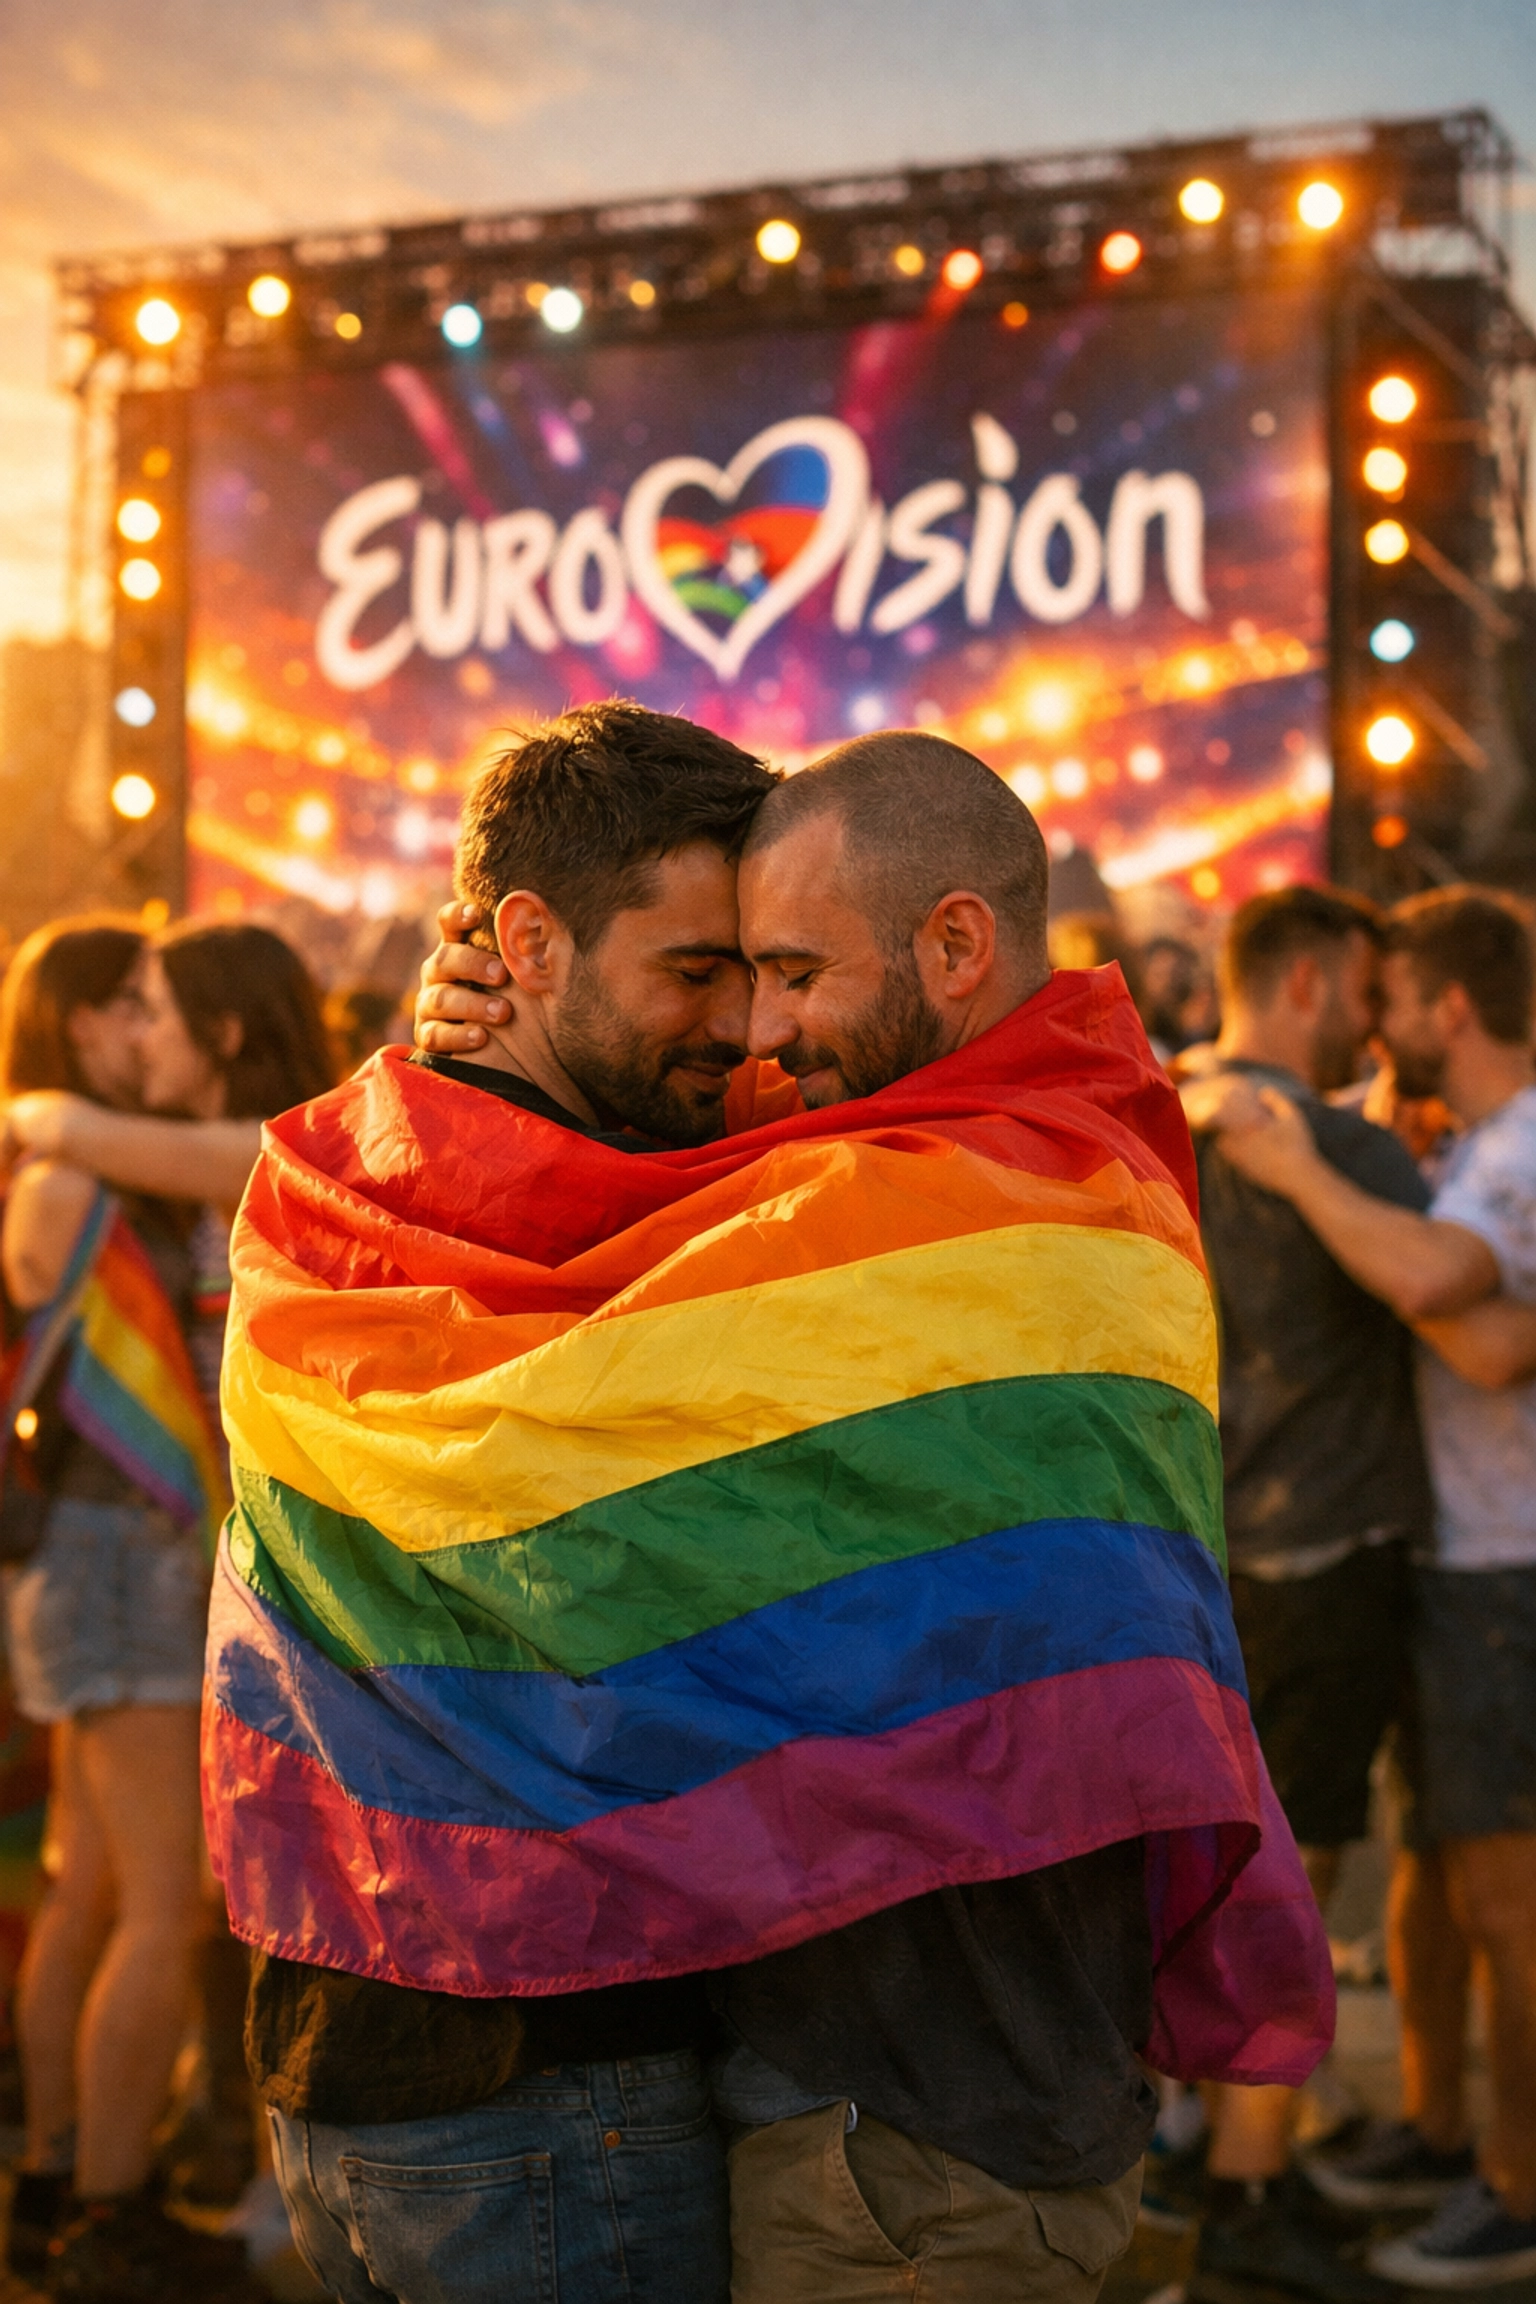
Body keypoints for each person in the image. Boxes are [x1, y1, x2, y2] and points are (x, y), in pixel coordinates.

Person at [214, 706, 1329, 2304]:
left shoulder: (974, 1212)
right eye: (714, 973)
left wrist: (457, 1088)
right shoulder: (929, 1193)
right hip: (634, 2099)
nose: (755, 1030)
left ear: (956, 946)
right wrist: (464, 1081)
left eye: (789, 973)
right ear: (528, 943)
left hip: (925, 2122)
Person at [1209, 887, 1536, 2290]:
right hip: (1386, 1553)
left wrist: (1287, 1157)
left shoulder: (1505, 1148)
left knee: (1475, 1889)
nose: (1373, 1021)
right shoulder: (1388, 1141)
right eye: (1362, 990)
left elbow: (1468, 1319)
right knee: (1373, 1875)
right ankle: (1363, 2150)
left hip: (1425, 1557)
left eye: (1392, 997)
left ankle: (1492, 2175)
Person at [0, 915, 330, 2303]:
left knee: (88, 1888)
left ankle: (53, 2186)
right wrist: (51, 1122)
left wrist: (46, 1115)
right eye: (123, 1005)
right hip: (124, 1558)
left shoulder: (173, 1155)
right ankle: (107, 2211)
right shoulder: (83, 1174)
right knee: (162, 1907)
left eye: (158, 1008)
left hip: (103, 1557)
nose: (141, 1031)